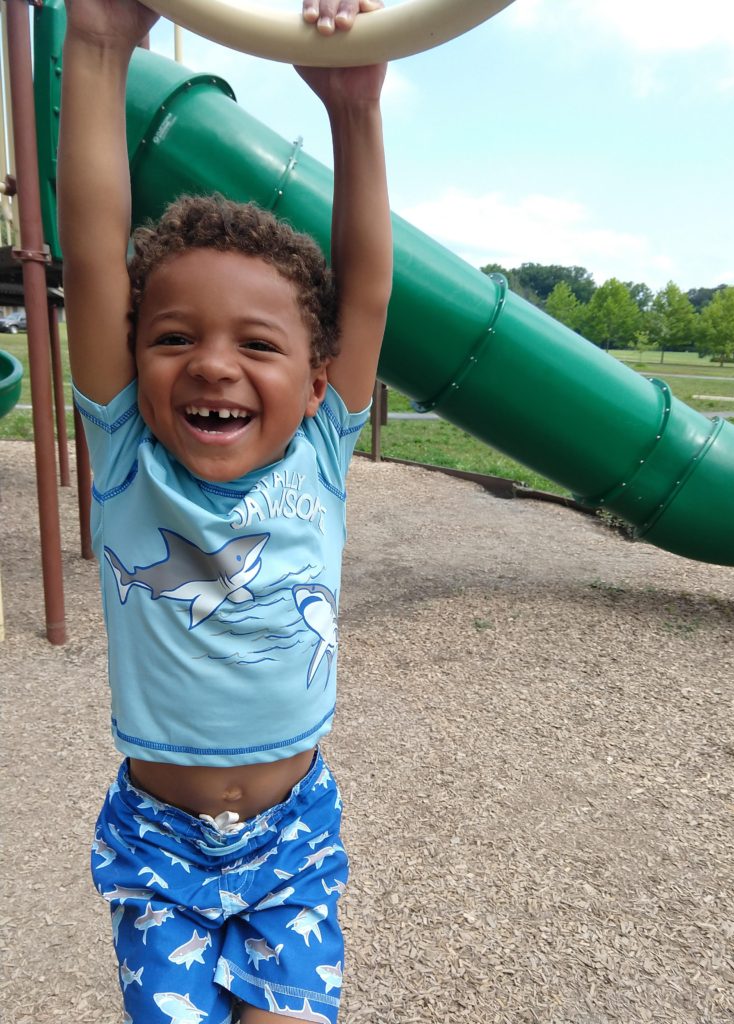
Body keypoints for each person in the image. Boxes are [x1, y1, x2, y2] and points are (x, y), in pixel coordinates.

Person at [58, 1, 391, 1021]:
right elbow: (91, 254)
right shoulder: (128, 451)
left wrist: (355, 108)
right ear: (133, 354)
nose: (212, 363)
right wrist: (102, 44)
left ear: (317, 373)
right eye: (172, 338)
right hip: (160, 847)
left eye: (257, 343)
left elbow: (369, 289)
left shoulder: (323, 446)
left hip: (292, 841)